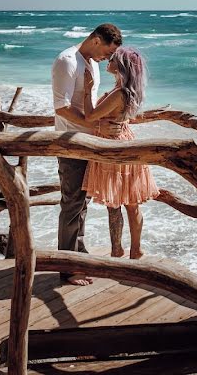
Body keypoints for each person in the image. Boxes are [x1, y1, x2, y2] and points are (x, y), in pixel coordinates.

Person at [51, 23, 122, 286]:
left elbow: (88, 101)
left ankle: (78, 254)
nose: (108, 58)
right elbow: (62, 107)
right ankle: (67, 267)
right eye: (107, 51)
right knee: (71, 203)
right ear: (95, 40)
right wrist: (95, 125)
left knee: (83, 201)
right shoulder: (67, 61)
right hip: (70, 141)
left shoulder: (89, 62)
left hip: (88, 140)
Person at [81, 47, 158, 260]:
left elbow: (89, 116)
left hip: (113, 147)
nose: (109, 59)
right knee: (132, 203)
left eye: (113, 59)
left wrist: (88, 90)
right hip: (127, 142)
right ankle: (136, 249)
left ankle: (117, 249)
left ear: (121, 66)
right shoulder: (128, 91)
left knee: (114, 204)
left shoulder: (118, 93)